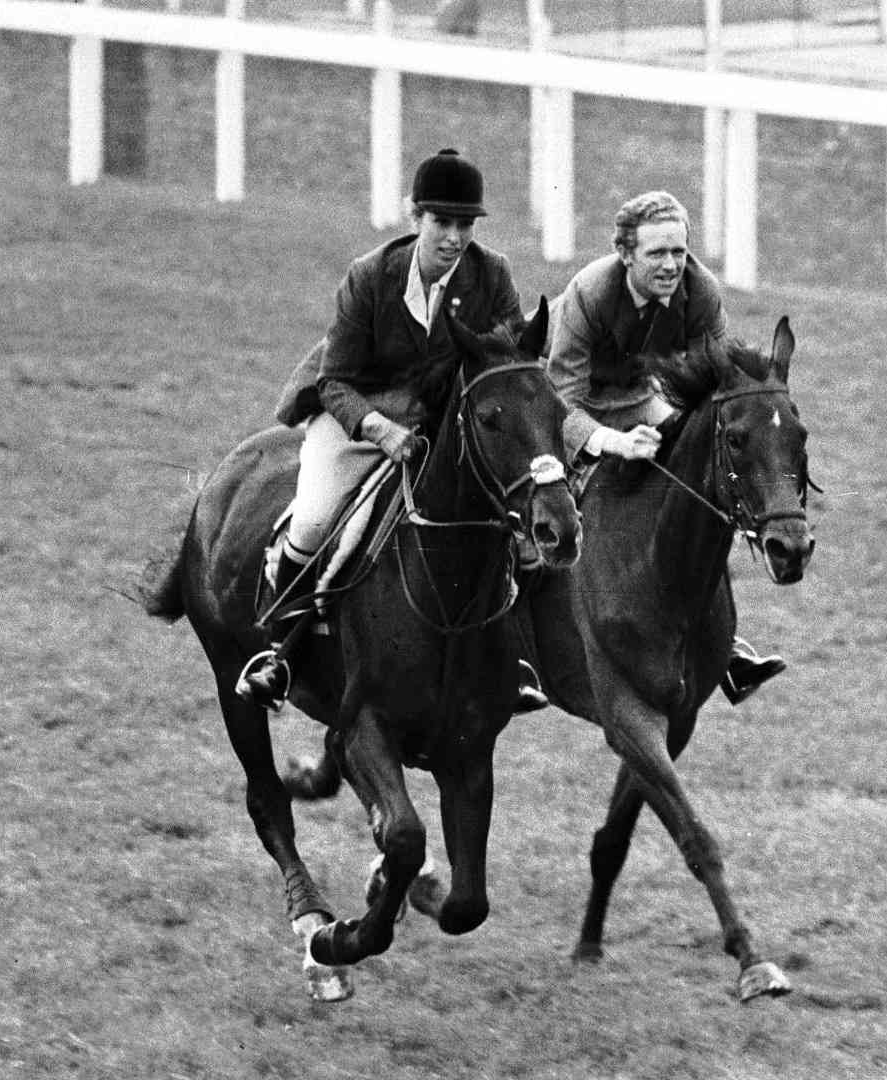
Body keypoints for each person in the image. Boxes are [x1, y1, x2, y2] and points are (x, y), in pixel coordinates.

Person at [239, 148, 547, 712]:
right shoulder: (370, 276)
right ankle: (281, 652)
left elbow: (507, 357)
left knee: (512, 518)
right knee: (313, 520)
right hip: (358, 411)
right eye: (442, 223)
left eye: (465, 225)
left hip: (441, 421)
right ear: (415, 217)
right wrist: (380, 429)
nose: (454, 238)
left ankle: (515, 659)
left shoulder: (492, 274)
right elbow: (335, 382)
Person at [547, 189, 786, 705]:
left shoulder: (700, 290)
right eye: (657, 253)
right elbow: (559, 404)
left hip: (640, 399)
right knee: (541, 496)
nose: (672, 265)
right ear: (625, 254)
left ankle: (725, 649)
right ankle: (516, 641)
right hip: (565, 401)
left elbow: (721, 384)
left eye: (679, 251)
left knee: (703, 485)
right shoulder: (590, 291)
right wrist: (611, 444)